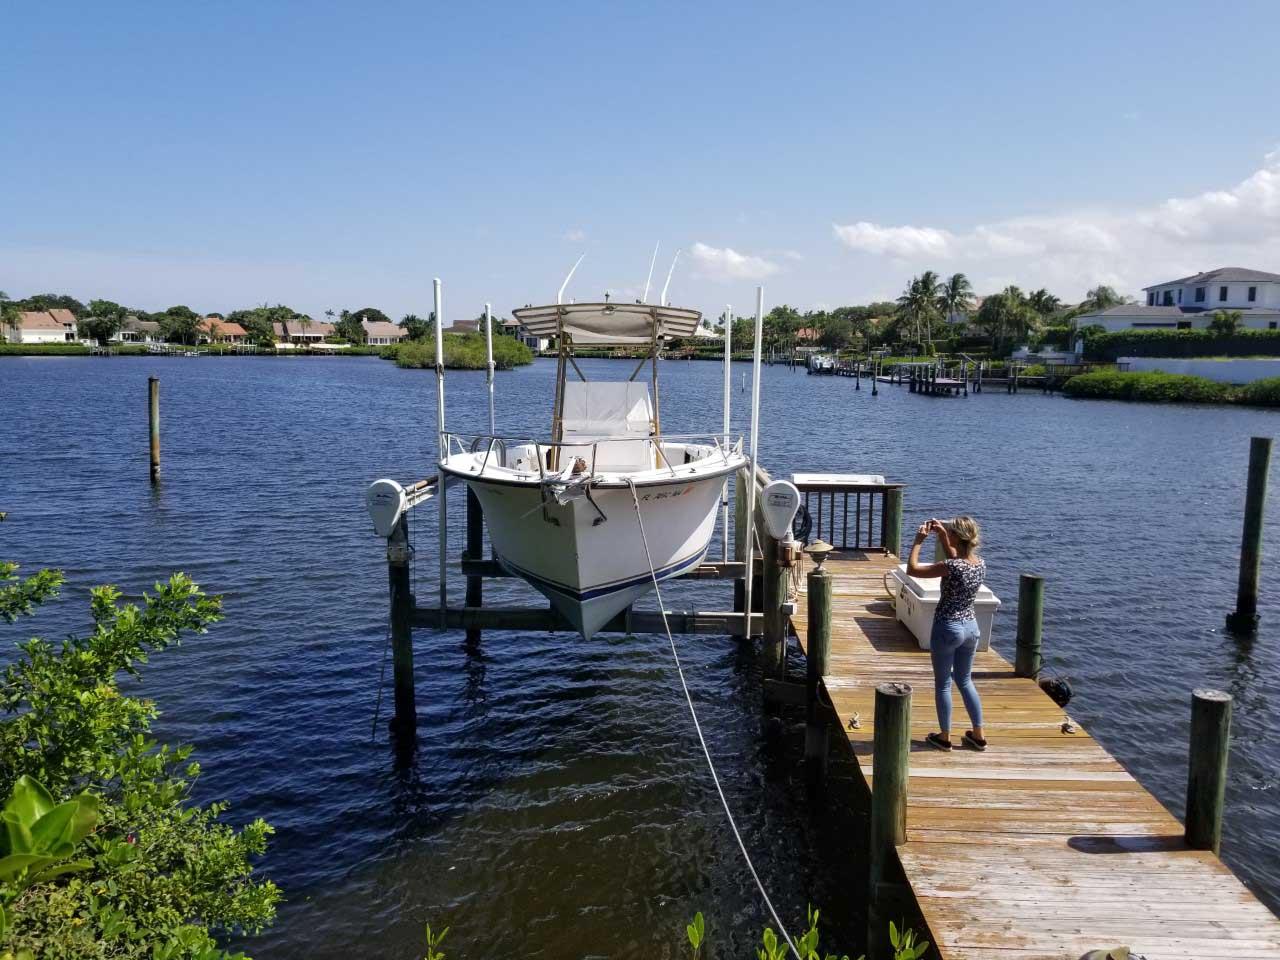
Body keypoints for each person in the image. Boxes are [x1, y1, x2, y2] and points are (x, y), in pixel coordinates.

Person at [906, 516, 987, 752]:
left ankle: (944, 737)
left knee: (943, 684)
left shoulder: (952, 567)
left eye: (949, 533)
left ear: (956, 538)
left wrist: (918, 541)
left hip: (947, 627)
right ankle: (978, 735)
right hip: (971, 627)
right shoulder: (979, 564)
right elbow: (957, 560)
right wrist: (942, 535)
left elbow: (913, 569)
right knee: (964, 680)